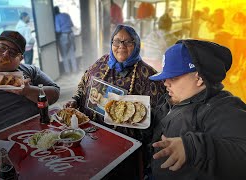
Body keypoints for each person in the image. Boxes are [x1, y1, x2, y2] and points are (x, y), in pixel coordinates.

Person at [64, 24, 165, 178]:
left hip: (125, 148)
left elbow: (159, 118)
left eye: (127, 42)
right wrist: (75, 100)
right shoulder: (102, 62)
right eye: (116, 41)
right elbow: (83, 85)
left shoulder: (148, 76)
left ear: (136, 44)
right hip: (91, 137)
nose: (121, 46)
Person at [148, 40, 246, 179]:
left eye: (173, 77)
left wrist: (193, 148)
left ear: (199, 78)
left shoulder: (221, 108)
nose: (165, 83)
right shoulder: (176, 97)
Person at [54, 6, 78, 75]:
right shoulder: (66, 15)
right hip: (71, 34)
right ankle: (75, 70)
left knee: (64, 55)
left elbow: (58, 30)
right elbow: (71, 25)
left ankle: (68, 72)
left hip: (63, 36)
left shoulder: (56, 17)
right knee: (72, 53)